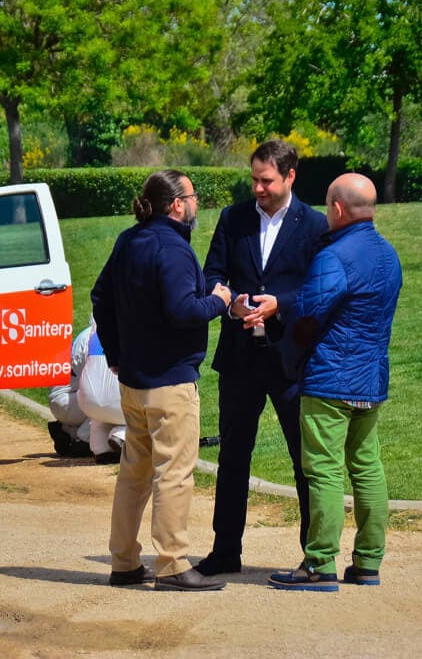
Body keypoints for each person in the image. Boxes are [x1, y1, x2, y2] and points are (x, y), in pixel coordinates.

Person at [91, 169, 232, 592]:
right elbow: (183, 310)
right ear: (176, 204)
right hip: (170, 382)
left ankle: (124, 562)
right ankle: (171, 563)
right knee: (174, 472)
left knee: (134, 473)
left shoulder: (129, 241)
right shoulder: (172, 248)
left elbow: (101, 298)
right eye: (192, 196)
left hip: (133, 381)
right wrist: (219, 301)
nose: (196, 203)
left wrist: (115, 354)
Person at [197, 139, 329, 576]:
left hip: (291, 359)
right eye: (253, 178)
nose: (257, 188)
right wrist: (231, 301)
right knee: (233, 457)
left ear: (290, 177)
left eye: (265, 180)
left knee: (303, 459)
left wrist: (281, 304)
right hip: (239, 358)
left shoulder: (314, 225)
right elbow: (211, 274)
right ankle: (225, 551)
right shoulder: (233, 219)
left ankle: (313, 555)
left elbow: (321, 287)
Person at [268, 173, 402, 592]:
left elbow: (307, 316)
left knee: (323, 470)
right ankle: (367, 563)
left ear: (339, 209)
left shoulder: (335, 256)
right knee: (367, 467)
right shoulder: (388, 254)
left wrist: (291, 355)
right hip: (371, 379)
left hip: (329, 380)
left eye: (328, 206)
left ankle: (320, 563)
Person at [47, 321, 125, 462]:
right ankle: (84, 438)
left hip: (67, 399)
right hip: (71, 399)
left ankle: (93, 443)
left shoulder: (88, 334)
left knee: (100, 404)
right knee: (112, 400)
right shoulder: (126, 330)